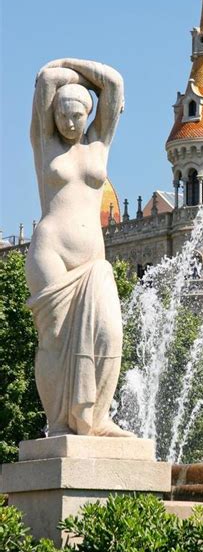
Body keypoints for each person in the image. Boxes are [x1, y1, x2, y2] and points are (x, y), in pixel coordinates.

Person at [26, 58, 133, 437]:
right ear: (52, 114)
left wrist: (73, 65)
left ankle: (96, 417)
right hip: (50, 250)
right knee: (53, 339)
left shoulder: (99, 144)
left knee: (108, 333)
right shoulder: (44, 145)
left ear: (89, 114)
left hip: (93, 260)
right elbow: (46, 78)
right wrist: (65, 75)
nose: (70, 124)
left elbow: (114, 84)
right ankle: (57, 423)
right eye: (63, 115)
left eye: (77, 116)